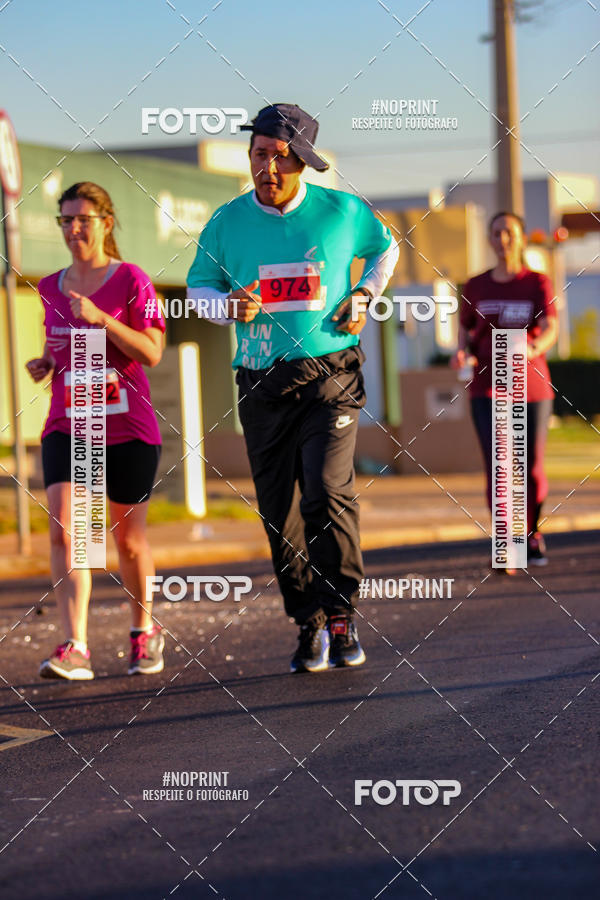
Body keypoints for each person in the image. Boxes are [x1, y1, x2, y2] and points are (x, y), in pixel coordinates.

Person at [187, 103, 398, 672]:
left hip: (330, 374)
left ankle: (341, 613)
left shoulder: (341, 212)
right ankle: (309, 621)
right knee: (280, 515)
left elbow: (386, 247)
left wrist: (365, 293)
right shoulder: (226, 222)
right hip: (262, 383)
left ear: (302, 163)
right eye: (259, 155)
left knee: (325, 493)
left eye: (281, 159)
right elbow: (199, 286)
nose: (268, 169)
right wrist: (226, 306)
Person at [26, 182, 166, 680]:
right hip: (69, 424)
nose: (73, 229)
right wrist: (47, 363)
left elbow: (151, 352)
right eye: (65, 220)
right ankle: (75, 646)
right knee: (69, 531)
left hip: (127, 426)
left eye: (82, 219)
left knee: (128, 541)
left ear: (106, 223)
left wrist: (102, 318)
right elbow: (63, 346)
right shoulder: (50, 287)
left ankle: (144, 631)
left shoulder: (130, 278)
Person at [451, 210, 559, 570]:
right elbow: (465, 331)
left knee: (530, 469)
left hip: (531, 386)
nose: (503, 240)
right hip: (487, 386)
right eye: (496, 233)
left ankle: (530, 533)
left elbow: (551, 327)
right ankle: (506, 542)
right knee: (499, 466)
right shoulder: (476, 285)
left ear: (522, 238)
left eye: (510, 232)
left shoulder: (537, 283)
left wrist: (533, 347)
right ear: (489, 239)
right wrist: (461, 353)